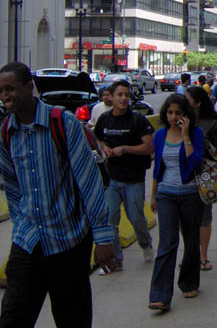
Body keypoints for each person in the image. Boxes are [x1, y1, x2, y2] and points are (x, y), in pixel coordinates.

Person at [0, 62, 116, 327]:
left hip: (69, 243)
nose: (5, 96)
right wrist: (21, 223)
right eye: (1, 91)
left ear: (29, 87)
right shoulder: (6, 132)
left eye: (10, 89)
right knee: (13, 317)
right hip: (28, 242)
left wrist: (103, 237)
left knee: (72, 319)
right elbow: (12, 186)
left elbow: (89, 183)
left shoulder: (63, 123)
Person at [148, 94, 205, 311]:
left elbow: (194, 163)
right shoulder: (160, 135)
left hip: (190, 194)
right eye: (170, 113)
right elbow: (157, 169)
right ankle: (160, 295)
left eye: (178, 113)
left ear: (186, 115)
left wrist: (186, 136)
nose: (173, 117)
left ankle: (189, 282)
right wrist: (153, 195)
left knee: (191, 241)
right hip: (166, 195)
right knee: (167, 243)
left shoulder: (196, 133)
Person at [94, 79, 155, 273]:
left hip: (134, 179)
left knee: (136, 217)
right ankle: (116, 260)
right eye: (119, 95)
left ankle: (145, 244)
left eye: (126, 95)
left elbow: (149, 147)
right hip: (111, 179)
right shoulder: (104, 119)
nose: (123, 98)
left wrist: (125, 149)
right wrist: (104, 148)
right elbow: (98, 139)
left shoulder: (137, 120)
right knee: (110, 219)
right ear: (110, 97)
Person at [186, 86, 217, 272]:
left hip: (204, 178)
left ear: (197, 103)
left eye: (187, 99)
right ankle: (191, 254)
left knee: (204, 217)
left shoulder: (213, 125)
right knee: (186, 220)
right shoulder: (179, 122)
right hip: (184, 177)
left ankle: (202, 256)